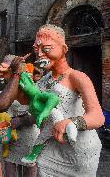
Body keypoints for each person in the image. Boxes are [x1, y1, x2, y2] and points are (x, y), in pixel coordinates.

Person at [33, 24, 105, 176]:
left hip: (79, 151)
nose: (39, 54)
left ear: (64, 49)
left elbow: (98, 117)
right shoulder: (43, 80)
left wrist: (71, 122)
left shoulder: (77, 77)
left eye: (46, 49)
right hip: (51, 147)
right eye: (36, 49)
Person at [0, 55, 39, 177]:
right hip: (9, 138)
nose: (2, 75)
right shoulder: (7, 88)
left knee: (29, 171)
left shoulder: (29, 88)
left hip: (28, 138)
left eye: (5, 72)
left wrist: (21, 121)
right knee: (9, 170)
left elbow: (40, 115)